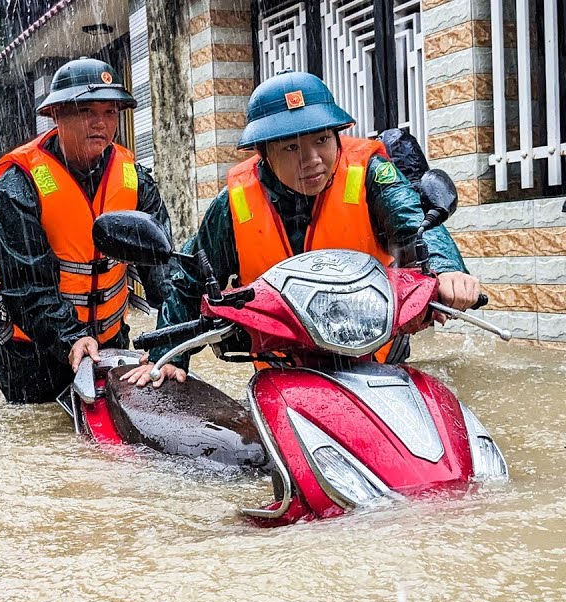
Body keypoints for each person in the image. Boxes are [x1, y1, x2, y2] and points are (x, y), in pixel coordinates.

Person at [123, 71, 482, 387]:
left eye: (322, 140)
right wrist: (167, 356)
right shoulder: (234, 204)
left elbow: (414, 222)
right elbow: (191, 278)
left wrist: (447, 269)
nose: (311, 159)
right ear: (264, 152)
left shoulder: (371, 173)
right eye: (292, 146)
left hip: (375, 353)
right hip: (281, 366)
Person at [0, 57, 172, 404]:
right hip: (33, 358)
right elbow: (25, 286)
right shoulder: (17, 186)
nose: (100, 123)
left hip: (110, 344)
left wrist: (171, 342)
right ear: (56, 114)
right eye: (86, 110)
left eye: (110, 111)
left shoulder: (135, 181)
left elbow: (163, 270)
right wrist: (70, 337)